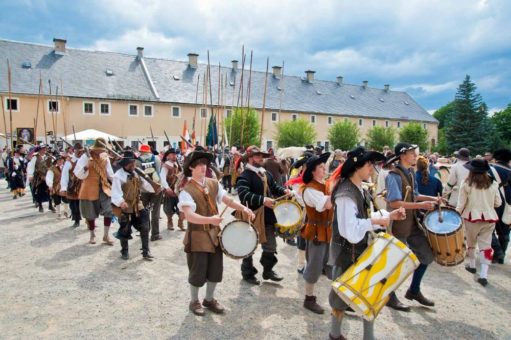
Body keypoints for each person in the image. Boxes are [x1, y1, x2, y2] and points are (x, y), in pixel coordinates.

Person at [328, 146, 406, 340]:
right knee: (341, 299)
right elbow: (350, 232)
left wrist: (389, 215)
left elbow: (365, 217)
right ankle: (334, 334)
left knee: (369, 296)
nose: (372, 168)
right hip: (347, 253)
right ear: (357, 166)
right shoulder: (346, 193)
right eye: (369, 164)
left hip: (359, 251)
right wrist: (375, 221)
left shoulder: (359, 189)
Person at [178, 150, 254, 316]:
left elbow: (227, 200)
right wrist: (210, 220)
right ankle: (194, 301)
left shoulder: (213, 183)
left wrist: (244, 208)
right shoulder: (186, 191)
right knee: (198, 271)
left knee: (215, 269)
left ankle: (209, 299)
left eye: (204, 164)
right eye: (198, 165)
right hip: (197, 236)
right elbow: (189, 216)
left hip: (215, 235)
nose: (203, 167)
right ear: (191, 168)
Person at [385, 143, 443, 311]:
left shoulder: (410, 172)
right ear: (402, 155)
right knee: (396, 263)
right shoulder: (393, 176)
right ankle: (390, 296)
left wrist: (432, 200)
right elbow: (394, 202)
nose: (415, 156)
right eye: (411, 153)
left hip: (411, 223)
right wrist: (421, 206)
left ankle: (414, 290)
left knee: (426, 255)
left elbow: (415, 196)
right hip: (398, 225)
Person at [236, 146, 292, 285]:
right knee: (249, 246)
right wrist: (262, 200)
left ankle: (268, 270)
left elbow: (273, 187)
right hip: (251, 214)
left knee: (271, 245)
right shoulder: (244, 176)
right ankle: (247, 273)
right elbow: (244, 196)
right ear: (249, 158)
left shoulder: (266, 173)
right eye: (257, 156)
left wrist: (284, 191)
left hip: (267, 214)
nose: (261, 158)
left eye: (261, 156)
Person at [457, 159, 502, 286]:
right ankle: (484, 275)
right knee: (486, 247)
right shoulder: (493, 184)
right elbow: (498, 203)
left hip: (472, 218)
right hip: (489, 218)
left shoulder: (466, 183)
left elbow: (461, 204)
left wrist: (456, 215)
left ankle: (472, 265)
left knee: (471, 243)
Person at [300, 152, 333, 314]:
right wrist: (338, 189)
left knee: (333, 265)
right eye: (320, 167)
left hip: (327, 230)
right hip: (316, 233)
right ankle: (309, 298)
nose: (324, 168)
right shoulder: (310, 190)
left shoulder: (325, 185)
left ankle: (339, 300)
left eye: (324, 165)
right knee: (314, 266)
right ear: (313, 171)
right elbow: (326, 204)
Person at [111, 150, 159, 261]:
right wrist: (120, 202)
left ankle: (146, 252)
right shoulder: (118, 176)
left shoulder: (138, 172)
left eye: (133, 162)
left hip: (138, 204)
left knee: (145, 226)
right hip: (125, 205)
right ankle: (124, 251)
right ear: (125, 164)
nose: (132, 165)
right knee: (125, 229)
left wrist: (155, 188)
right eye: (130, 163)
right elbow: (115, 192)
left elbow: (146, 184)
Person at [74, 138, 114, 245]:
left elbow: (110, 174)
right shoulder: (85, 157)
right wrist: (87, 166)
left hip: (104, 188)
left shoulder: (105, 157)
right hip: (89, 188)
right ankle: (92, 235)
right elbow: (78, 174)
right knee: (90, 213)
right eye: (99, 149)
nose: (101, 151)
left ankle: (106, 235)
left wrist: (117, 185)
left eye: (103, 149)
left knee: (109, 211)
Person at [137, 144, 163, 241]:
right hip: (157, 188)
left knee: (144, 212)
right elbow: (158, 172)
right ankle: (155, 234)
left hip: (144, 190)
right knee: (155, 212)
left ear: (141, 151)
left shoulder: (137, 161)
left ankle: (144, 232)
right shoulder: (156, 159)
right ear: (149, 151)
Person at [489, 148, 511, 264]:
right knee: (504, 229)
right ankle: (500, 256)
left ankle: (498, 252)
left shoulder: (490, 169)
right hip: (508, 202)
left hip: (492, 201)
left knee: (488, 228)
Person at [160, 147, 185, 231]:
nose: (175, 156)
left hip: (178, 190)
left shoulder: (177, 164)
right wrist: (167, 188)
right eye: (172, 155)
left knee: (181, 208)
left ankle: (180, 222)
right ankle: (169, 222)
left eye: (175, 154)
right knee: (168, 208)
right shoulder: (165, 165)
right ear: (168, 156)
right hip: (169, 190)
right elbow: (162, 178)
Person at [60, 143, 84, 228]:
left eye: (81, 151)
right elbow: (64, 175)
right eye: (78, 151)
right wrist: (63, 187)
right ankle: (76, 220)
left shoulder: (85, 159)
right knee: (74, 204)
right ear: (74, 151)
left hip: (84, 185)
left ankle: (90, 220)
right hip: (72, 186)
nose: (80, 153)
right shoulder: (69, 161)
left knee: (86, 204)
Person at [27, 145, 53, 213]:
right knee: (39, 191)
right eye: (43, 149)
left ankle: (50, 205)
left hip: (47, 175)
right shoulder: (35, 157)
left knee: (49, 191)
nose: (44, 151)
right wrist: (30, 175)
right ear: (39, 150)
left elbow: (52, 164)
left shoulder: (48, 156)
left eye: (45, 149)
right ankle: (40, 205)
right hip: (39, 177)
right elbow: (31, 166)